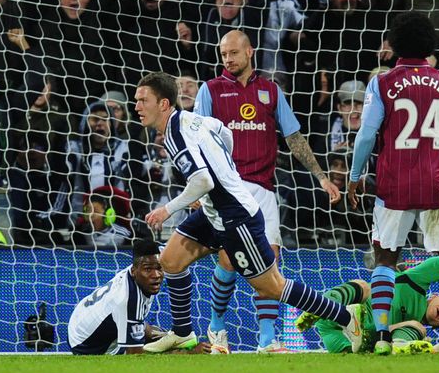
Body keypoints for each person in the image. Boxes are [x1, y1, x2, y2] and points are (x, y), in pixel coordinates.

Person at [132, 71, 362, 354]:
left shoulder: (176, 134)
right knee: (170, 261)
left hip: (236, 216)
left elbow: (203, 180)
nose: (137, 106)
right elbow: (224, 133)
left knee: (272, 287)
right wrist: (225, 168)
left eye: (143, 100)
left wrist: (167, 209)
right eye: (137, 101)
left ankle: (347, 318)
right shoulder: (192, 120)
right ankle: (182, 333)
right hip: (215, 211)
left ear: (164, 104)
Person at [347, 11, 439, 356]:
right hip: (436, 185)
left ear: (394, 44)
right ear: (430, 44)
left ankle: (381, 337)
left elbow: (366, 135)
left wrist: (355, 176)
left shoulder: (381, 83)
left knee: (385, 259)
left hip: (393, 185)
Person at [193, 30, 341, 353]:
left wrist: (321, 177)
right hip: (227, 189)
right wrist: (197, 189)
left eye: (233, 53)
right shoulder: (210, 90)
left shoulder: (270, 92)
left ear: (250, 52)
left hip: (265, 192)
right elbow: (198, 145)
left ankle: (267, 339)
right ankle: (217, 326)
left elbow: (294, 137)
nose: (228, 60)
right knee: (229, 261)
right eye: (223, 55)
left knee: (270, 264)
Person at [295, 257, 439, 354]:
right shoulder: (414, 281)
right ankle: (320, 306)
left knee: (418, 328)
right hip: (342, 315)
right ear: (434, 296)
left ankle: (398, 346)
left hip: (355, 340)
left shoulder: (419, 327)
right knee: (364, 286)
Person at [68, 239, 207, 354]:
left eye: (159, 268)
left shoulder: (140, 270)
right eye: (148, 269)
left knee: (154, 334)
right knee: (147, 345)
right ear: (134, 271)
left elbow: (179, 248)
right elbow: (135, 355)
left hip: (82, 315)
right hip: (84, 344)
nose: (156, 275)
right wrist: (187, 353)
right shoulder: (127, 300)